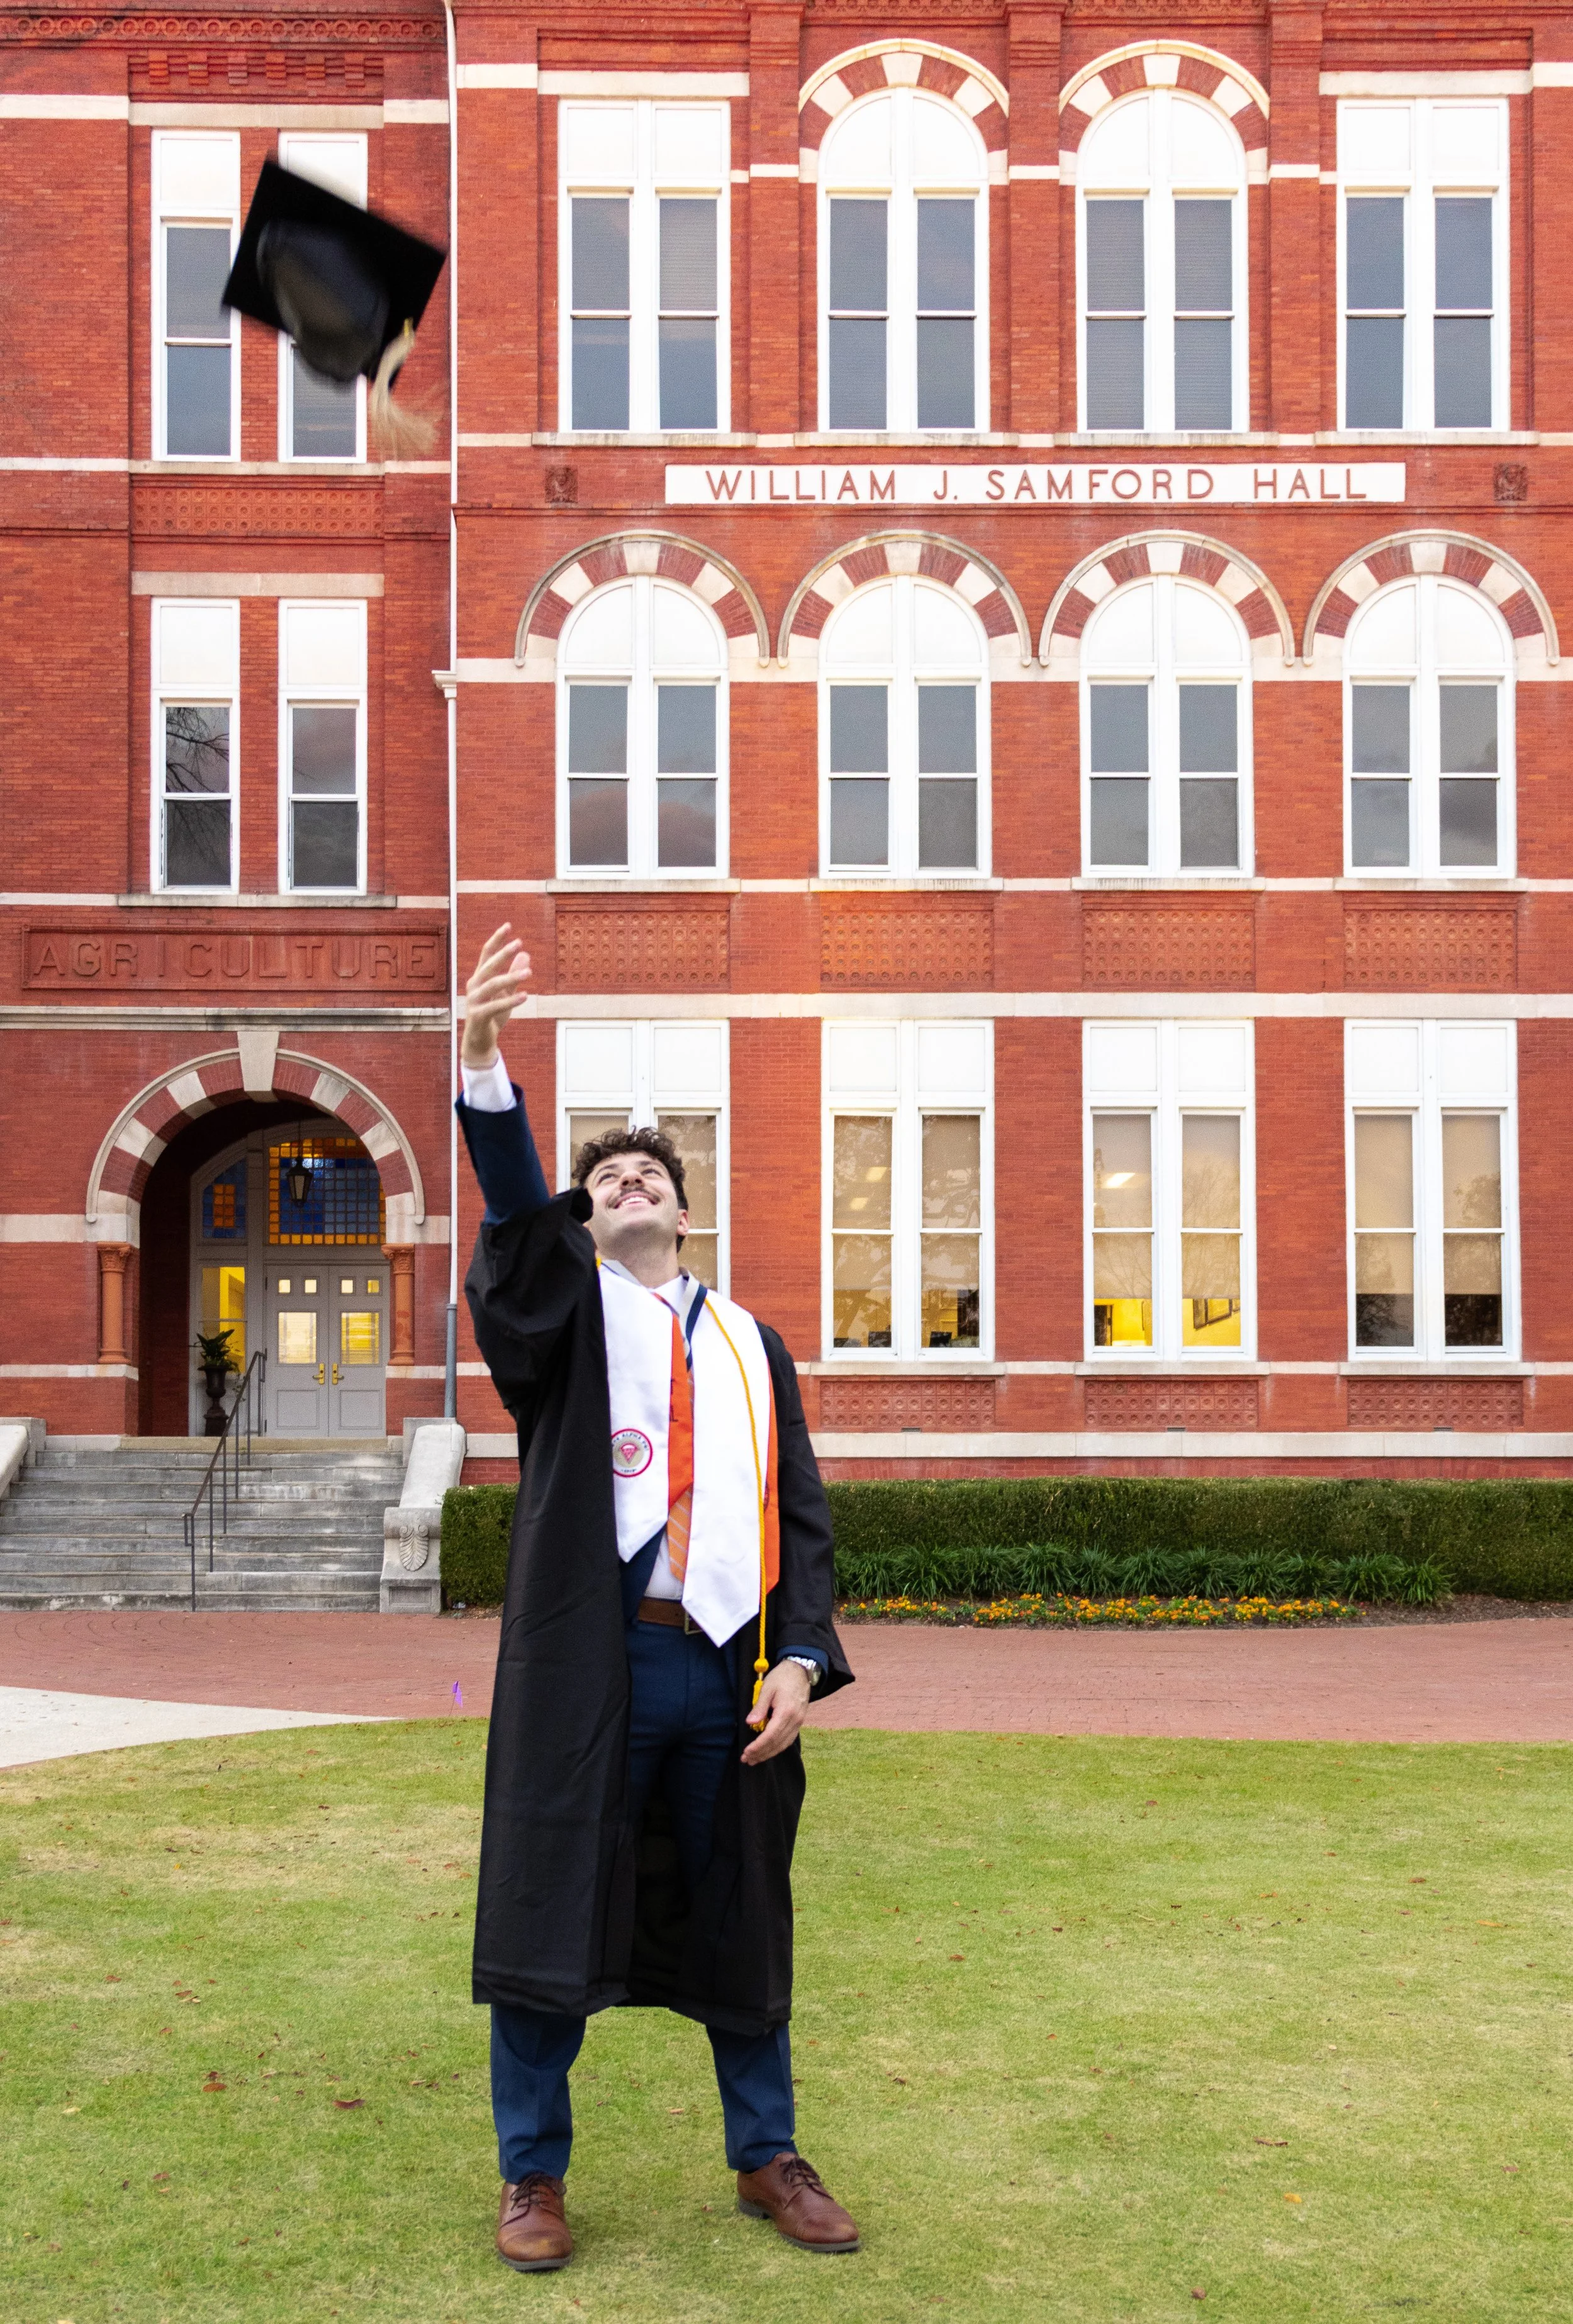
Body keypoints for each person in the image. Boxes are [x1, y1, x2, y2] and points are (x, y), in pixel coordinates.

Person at [456, 923, 859, 2272]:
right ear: (589, 1210)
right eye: (604, 1173)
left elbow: (798, 1516)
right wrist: (482, 1067)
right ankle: (532, 2174)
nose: (626, 1181)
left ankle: (766, 2153)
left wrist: (801, 1657)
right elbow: (516, 1229)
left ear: (685, 1208)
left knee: (742, 1908)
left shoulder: (752, 1344)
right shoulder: (563, 1318)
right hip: (598, 1667)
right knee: (549, 1901)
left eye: (649, 1171)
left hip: (727, 1668)